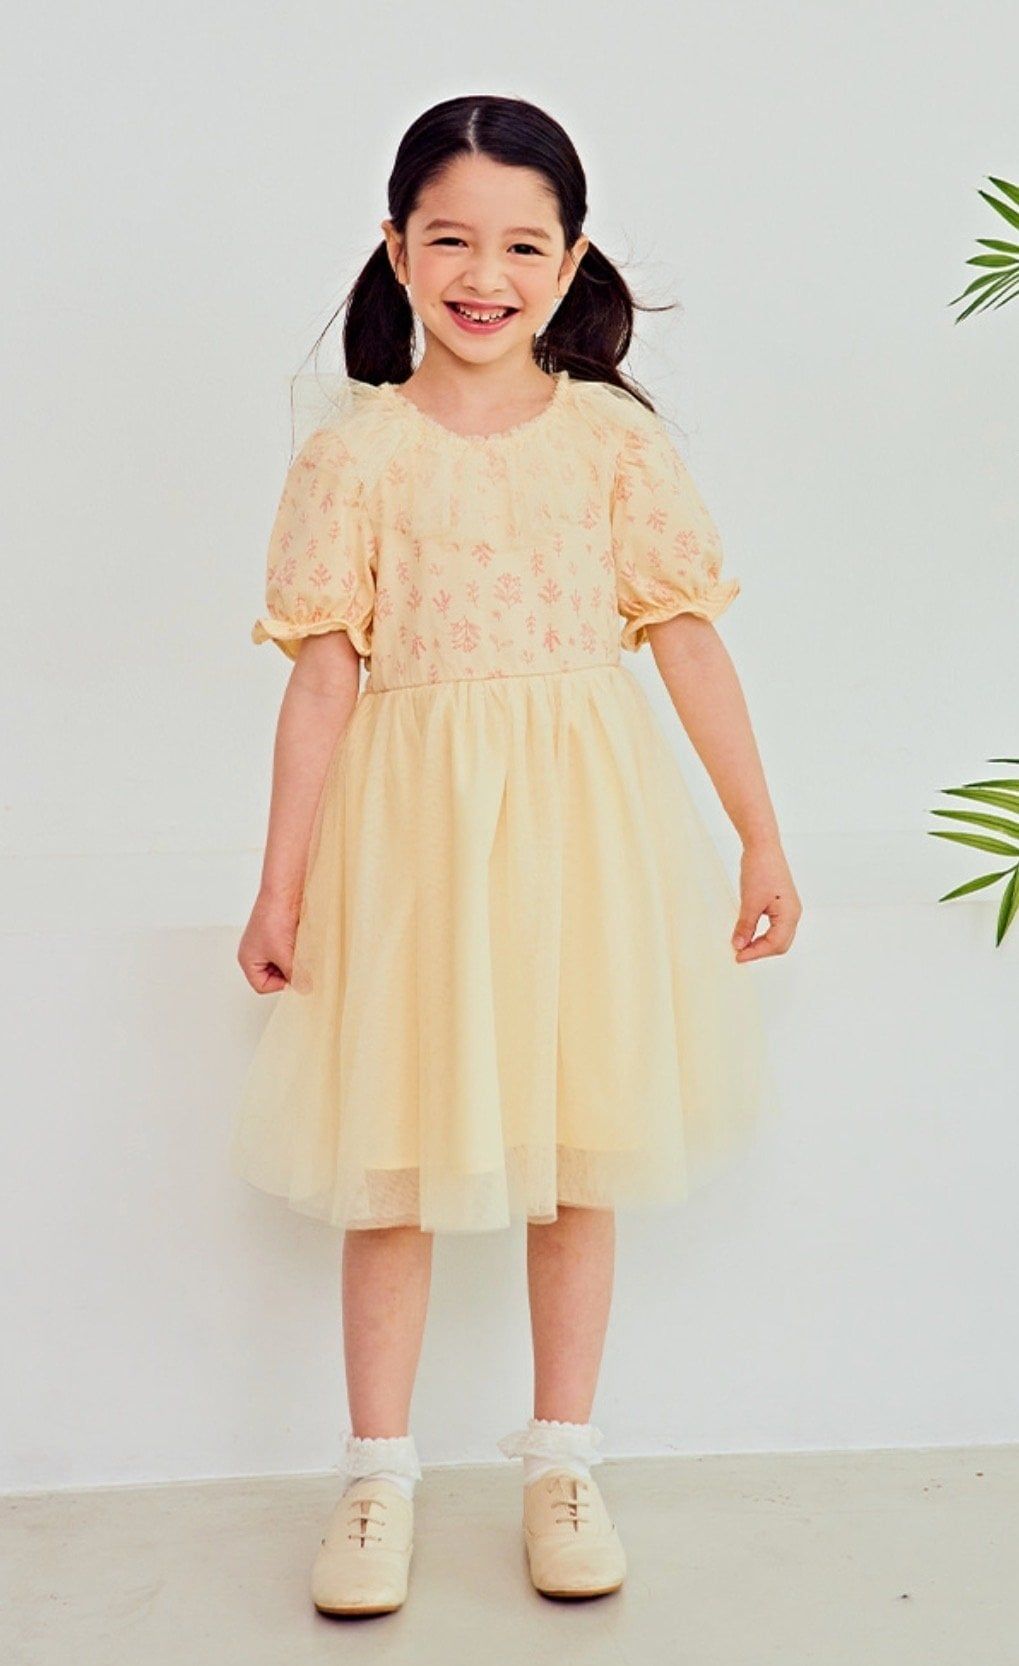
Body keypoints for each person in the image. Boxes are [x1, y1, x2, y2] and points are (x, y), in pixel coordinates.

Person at [232, 93, 800, 1615]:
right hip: (411, 842)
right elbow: (322, 679)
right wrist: (281, 881)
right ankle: (377, 1478)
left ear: (572, 256)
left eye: (522, 246)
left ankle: (562, 1460)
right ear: (397, 249)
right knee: (391, 1161)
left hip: (579, 833)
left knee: (575, 1146)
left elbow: (687, 639)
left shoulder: (612, 442)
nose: (485, 276)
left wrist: (759, 833)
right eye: (451, 240)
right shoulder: (355, 454)